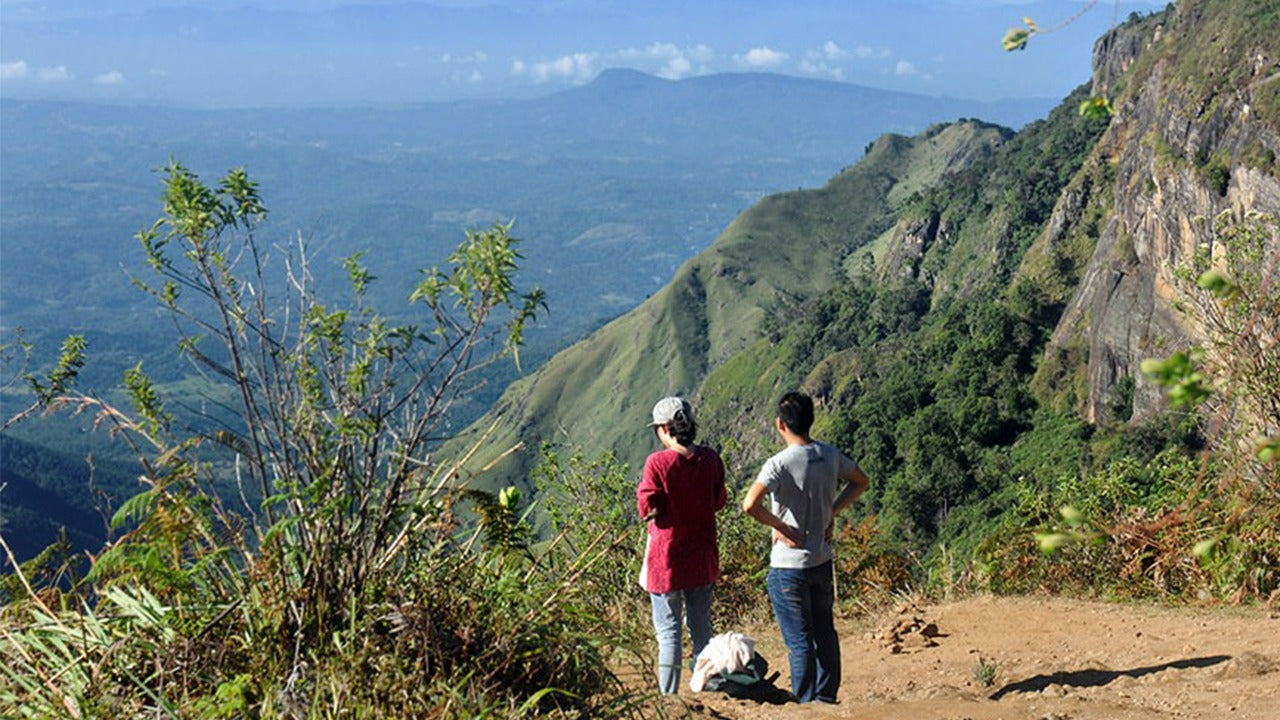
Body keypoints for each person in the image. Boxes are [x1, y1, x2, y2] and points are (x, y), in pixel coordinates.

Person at [741, 391, 870, 704]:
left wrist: (779, 525)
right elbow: (861, 481)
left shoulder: (778, 464)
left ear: (780, 424)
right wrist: (832, 512)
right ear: (810, 420)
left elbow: (749, 505)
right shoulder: (829, 455)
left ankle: (805, 704)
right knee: (825, 633)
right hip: (821, 560)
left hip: (788, 567)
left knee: (800, 642)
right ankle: (825, 698)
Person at [636, 396, 728, 694]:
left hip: (667, 561)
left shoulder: (657, 463)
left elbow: (646, 507)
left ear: (664, 429)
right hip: (702, 557)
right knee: (702, 627)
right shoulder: (711, 459)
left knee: (668, 633)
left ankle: (669, 696)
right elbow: (719, 501)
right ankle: (707, 686)